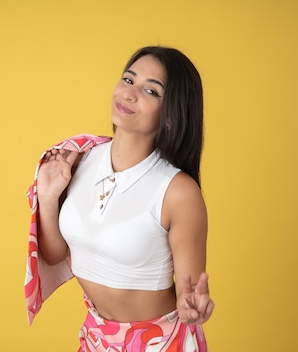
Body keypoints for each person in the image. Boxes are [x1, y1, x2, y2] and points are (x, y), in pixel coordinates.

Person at [26, 46, 214, 351]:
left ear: (171, 114)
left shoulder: (178, 192)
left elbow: (188, 296)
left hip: (161, 342)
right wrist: (48, 198)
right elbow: (54, 254)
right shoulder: (77, 159)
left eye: (151, 91)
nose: (130, 93)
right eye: (128, 80)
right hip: (96, 338)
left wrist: (194, 307)